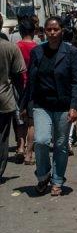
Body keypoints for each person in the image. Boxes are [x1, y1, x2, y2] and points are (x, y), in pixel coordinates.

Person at [19, 17, 77, 196]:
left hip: (63, 106)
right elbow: (30, 81)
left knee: (61, 145)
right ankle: (43, 175)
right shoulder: (37, 52)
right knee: (41, 141)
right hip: (42, 105)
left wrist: (74, 106)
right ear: (43, 32)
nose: (52, 33)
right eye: (49, 30)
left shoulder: (71, 52)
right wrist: (24, 105)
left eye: (56, 29)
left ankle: (57, 180)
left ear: (62, 30)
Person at [0, 31, 25, 180]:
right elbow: (18, 77)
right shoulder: (11, 48)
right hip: (4, 99)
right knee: (2, 137)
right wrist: (22, 101)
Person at [15, 18, 38, 165]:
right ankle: (29, 154)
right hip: (33, 87)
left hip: (18, 86)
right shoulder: (38, 47)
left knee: (19, 119)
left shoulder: (15, 46)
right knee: (31, 122)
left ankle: (20, 148)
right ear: (34, 32)